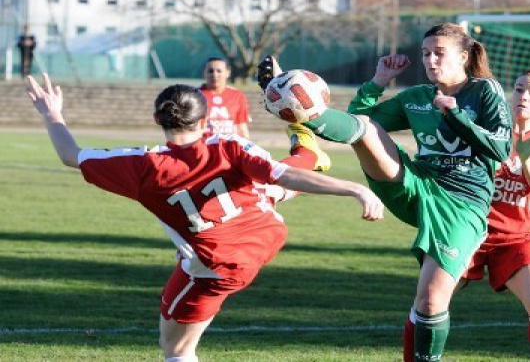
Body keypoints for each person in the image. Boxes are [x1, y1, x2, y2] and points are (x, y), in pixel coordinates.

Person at [25, 73, 384, 362]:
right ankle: (307, 150)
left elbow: (70, 155)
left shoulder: (143, 166)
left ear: (156, 119)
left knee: (175, 349)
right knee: (267, 186)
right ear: (205, 116)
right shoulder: (229, 145)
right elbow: (280, 175)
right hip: (267, 233)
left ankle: (306, 152)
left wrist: (51, 113)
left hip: (216, 265)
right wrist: (354, 189)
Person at [258, 22, 512, 361]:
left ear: (464, 56)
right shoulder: (417, 97)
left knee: (431, 301)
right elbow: (355, 124)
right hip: (415, 184)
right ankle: (293, 100)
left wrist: (455, 115)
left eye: (439, 53)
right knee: (365, 128)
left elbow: (501, 149)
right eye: (425, 54)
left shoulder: (484, 90)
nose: (430, 60)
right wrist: (378, 82)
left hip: (463, 202)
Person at [458, 70, 530, 362]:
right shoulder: (488, 130)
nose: (523, 97)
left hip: (516, 238)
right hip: (468, 231)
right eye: (519, 90)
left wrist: (526, 157)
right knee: (430, 300)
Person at [199, 57, 251, 139]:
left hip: (229, 148)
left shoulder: (237, 96)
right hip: (204, 147)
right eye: (210, 71)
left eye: (219, 71)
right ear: (204, 73)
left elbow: (241, 127)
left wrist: (248, 148)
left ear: (227, 72)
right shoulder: (195, 96)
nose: (214, 75)